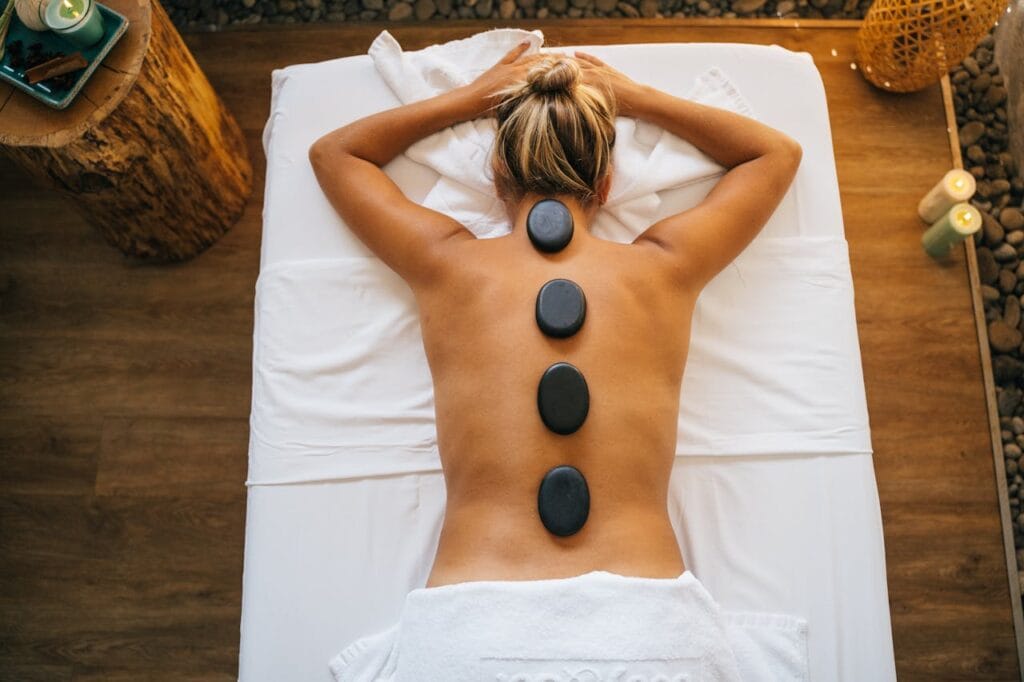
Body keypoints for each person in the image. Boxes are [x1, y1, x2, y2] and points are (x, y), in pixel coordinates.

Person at [311, 41, 805, 681]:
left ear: (496, 179)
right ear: (605, 184)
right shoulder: (663, 269)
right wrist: (637, 98)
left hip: (471, 637)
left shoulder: (447, 265)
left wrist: (470, 97)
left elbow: (334, 154)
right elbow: (774, 154)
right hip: (650, 633)